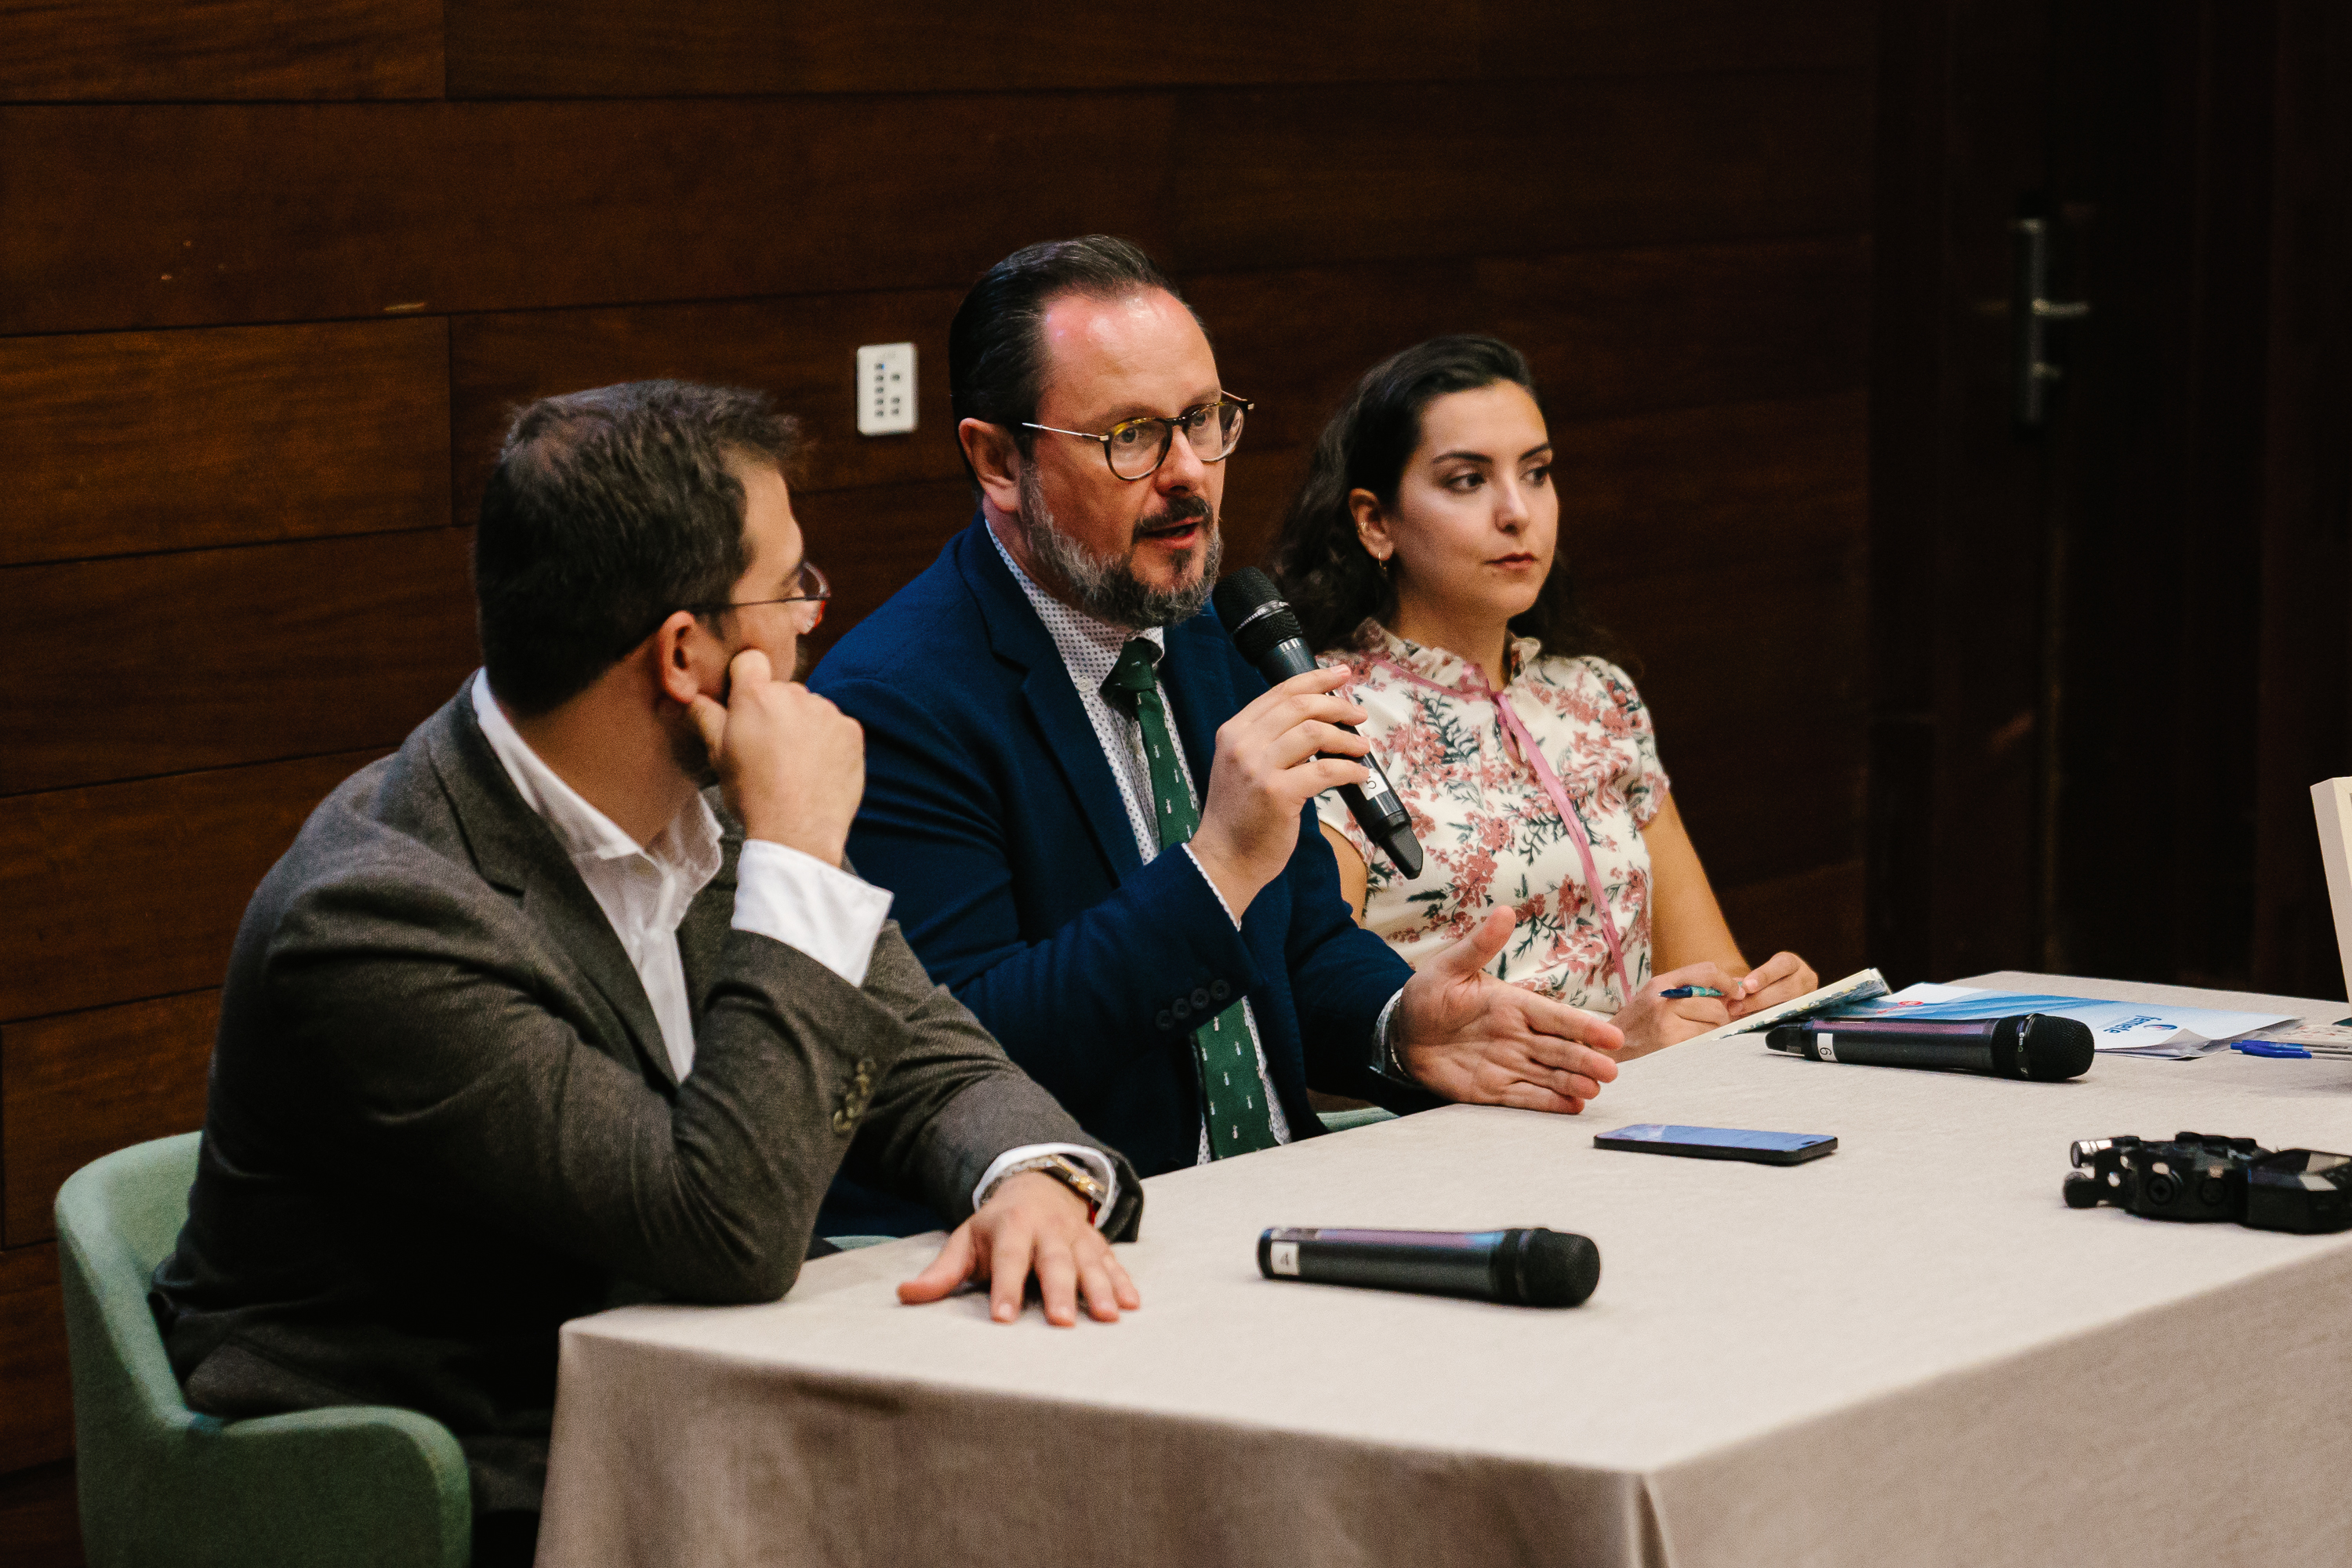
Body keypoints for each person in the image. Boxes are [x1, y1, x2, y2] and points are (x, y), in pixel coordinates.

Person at [150, 381, 1143, 1566]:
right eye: (791, 587)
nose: (813, 619)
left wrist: (1026, 1177)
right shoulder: (377, 917)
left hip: (697, 1413)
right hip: (454, 1483)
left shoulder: (707, 804)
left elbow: (932, 1060)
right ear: (684, 654)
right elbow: (721, 1231)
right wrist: (799, 856)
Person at [810, 238, 1627, 1232]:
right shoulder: (896, 699)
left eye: (1202, 420)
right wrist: (1217, 868)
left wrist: (1401, 1021)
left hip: (1281, 1195)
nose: (1189, 474)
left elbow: (1304, 945)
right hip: (1091, 1229)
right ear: (997, 460)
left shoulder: (1218, 629)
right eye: (1131, 436)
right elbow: (963, 1064)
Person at [1268, 336, 1818, 1058]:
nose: (1516, 512)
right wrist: (1615, 1050)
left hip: (1648, 1101)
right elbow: (1308, 1036)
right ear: (1375, 522)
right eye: (1467, 480)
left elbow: (1709, 968)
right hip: (1446, 1116)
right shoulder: (1327, 712)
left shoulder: (1597, 695)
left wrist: (1761, 998)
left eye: (1536, 473)